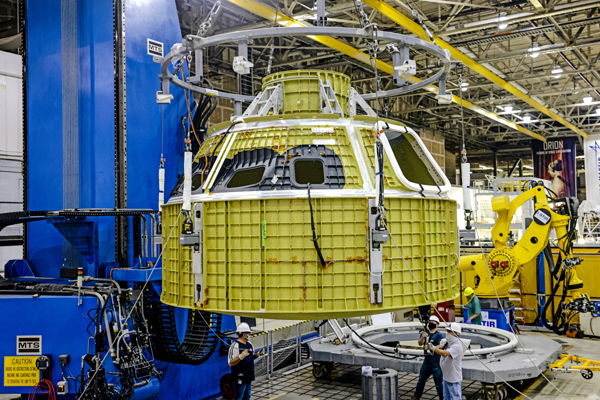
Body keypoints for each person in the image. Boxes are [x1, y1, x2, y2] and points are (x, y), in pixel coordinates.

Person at [228, 322, 264, 400]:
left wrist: (257, 355)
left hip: (249, 376)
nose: (250, 334)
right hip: (240, 377)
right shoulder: (234, 346)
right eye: (248, 333)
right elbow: (231, 363)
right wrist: (240, 357)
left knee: (247, 396)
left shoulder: (249, 344)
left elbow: (250, 357)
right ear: (244, 334)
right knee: (239, 397)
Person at [411, 315, 444, 400]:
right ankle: (416, 396)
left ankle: (443, 398)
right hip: (426, 362)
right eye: (429, 322)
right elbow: (420, 343)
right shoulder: (425, 333)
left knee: (439, 384)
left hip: (436, 364)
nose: (430, 324)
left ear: (437, 324)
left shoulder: (439, 335)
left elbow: (441, 346)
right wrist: (422, 337)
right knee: (421, 380)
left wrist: (431, 347)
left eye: (432, 322)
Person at [430, 322, 464, 400]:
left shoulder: (457, 346)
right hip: (447, 377)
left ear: (455, 333)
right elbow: (441, 348)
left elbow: (445, 353)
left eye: (449, 331)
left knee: (455, 398)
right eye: (447, 331)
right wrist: (436, 347)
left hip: (453, 378)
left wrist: (434, 348)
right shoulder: (449, 343)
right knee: (446, 398)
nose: (447, 333)